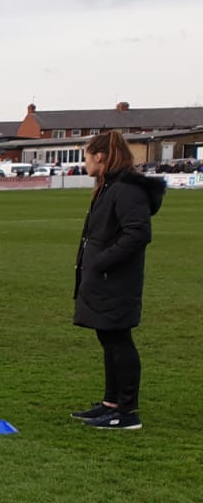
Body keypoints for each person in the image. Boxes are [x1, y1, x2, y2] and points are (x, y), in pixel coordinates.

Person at [71, 130, 166, 431]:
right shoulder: (110, 186)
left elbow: (137, 233)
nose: (84, 162)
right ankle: (111, 403)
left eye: (86, 155)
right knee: (108, 338)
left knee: (119, 340)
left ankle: (127, 411)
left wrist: (101, 261)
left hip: (116, 280)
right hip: (105, 279)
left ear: (99, 156)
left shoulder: (126, 189)